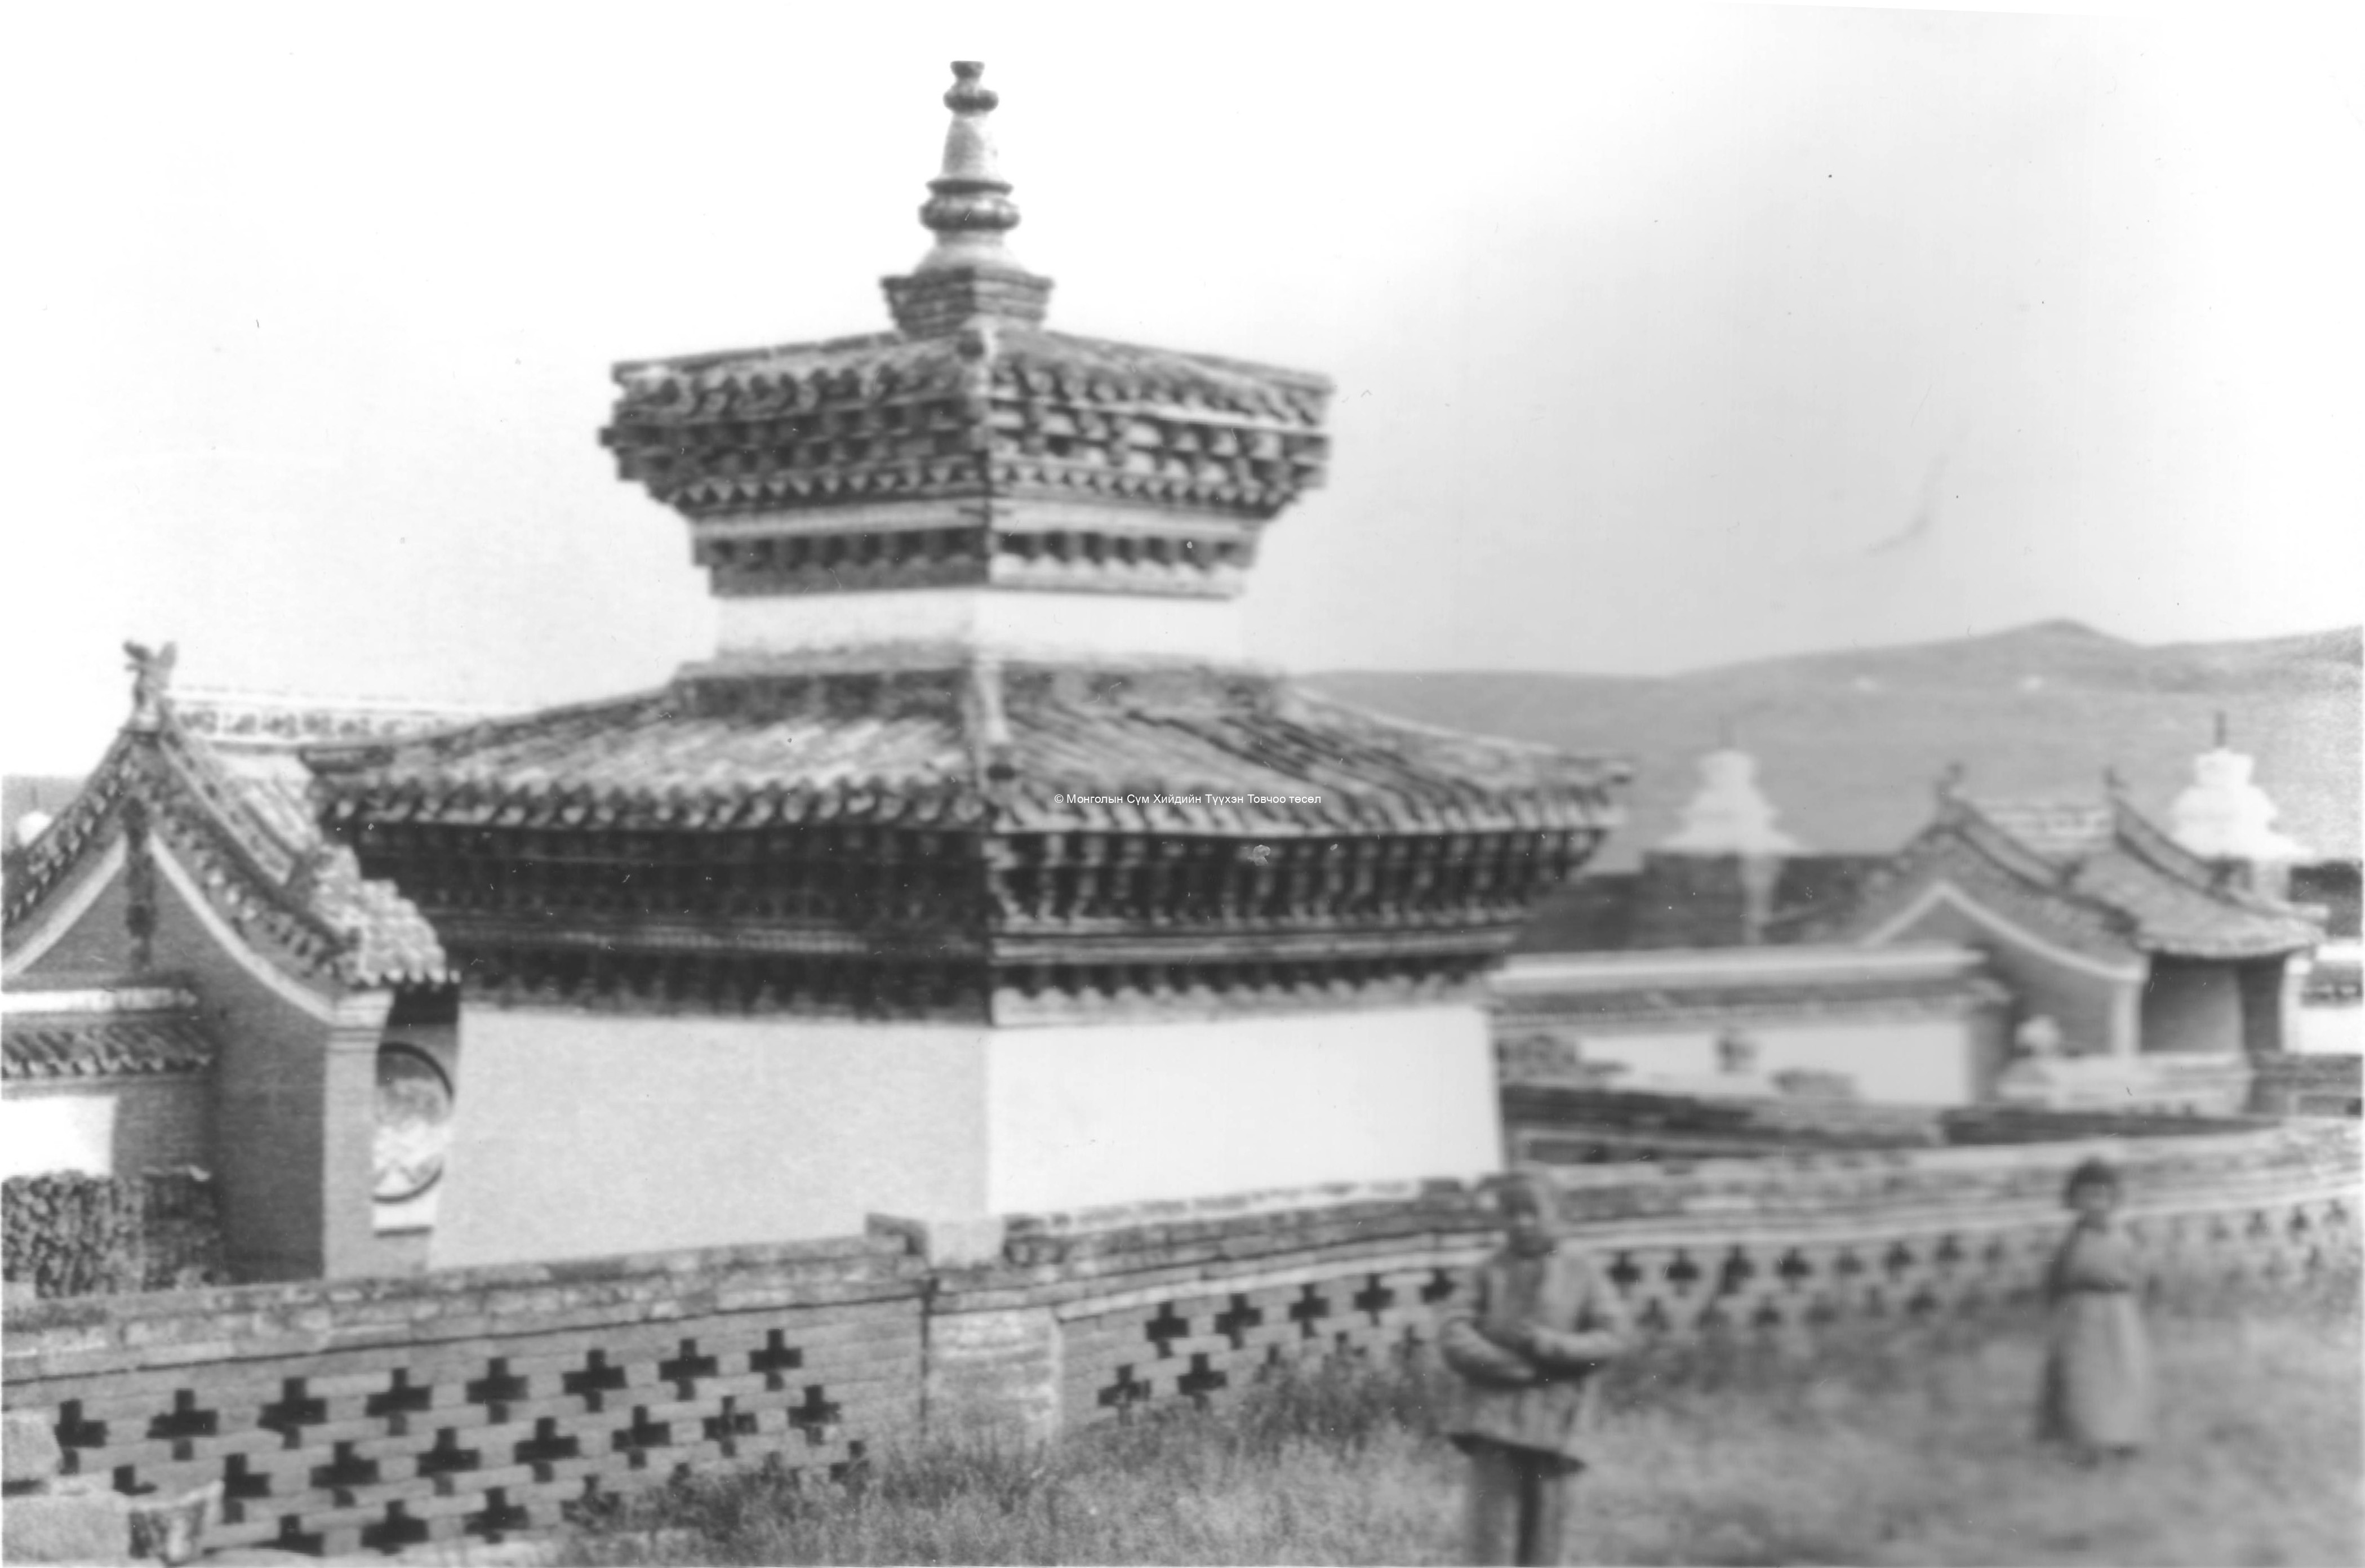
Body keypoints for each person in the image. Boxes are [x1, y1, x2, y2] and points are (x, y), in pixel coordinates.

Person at [1439, 1166, 1632, 1566]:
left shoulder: (1582, 1271)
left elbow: (1612, 1336)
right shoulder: (1488, 1271)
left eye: (1532, 1210)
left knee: (1545, 1535)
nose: (1521, 1221)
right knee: (1491, 1532)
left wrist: (1551, 1345)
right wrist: (1505, 1365)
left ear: (1559, 1213)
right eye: (1511, 1211)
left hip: (1553, 1423)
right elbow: (1453, 1332)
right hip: (1493, 1420)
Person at [2036, 1157, 2154, 1463]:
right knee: (2083, 1379)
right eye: (2087, 1196)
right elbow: (2055, 1278)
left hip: (2119, 1315)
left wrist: (2134, 1305)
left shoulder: (2125, 1236)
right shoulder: (2072, 1240)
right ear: (2074, 1200)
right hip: (2081, 1316)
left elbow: (2140, 1275)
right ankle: (2087, 1441)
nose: (2096, 1204)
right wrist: (2058, 1310)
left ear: (2114, 1199)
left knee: (2123, 1375)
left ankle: (2124, 1436)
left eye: (2102, 1196)